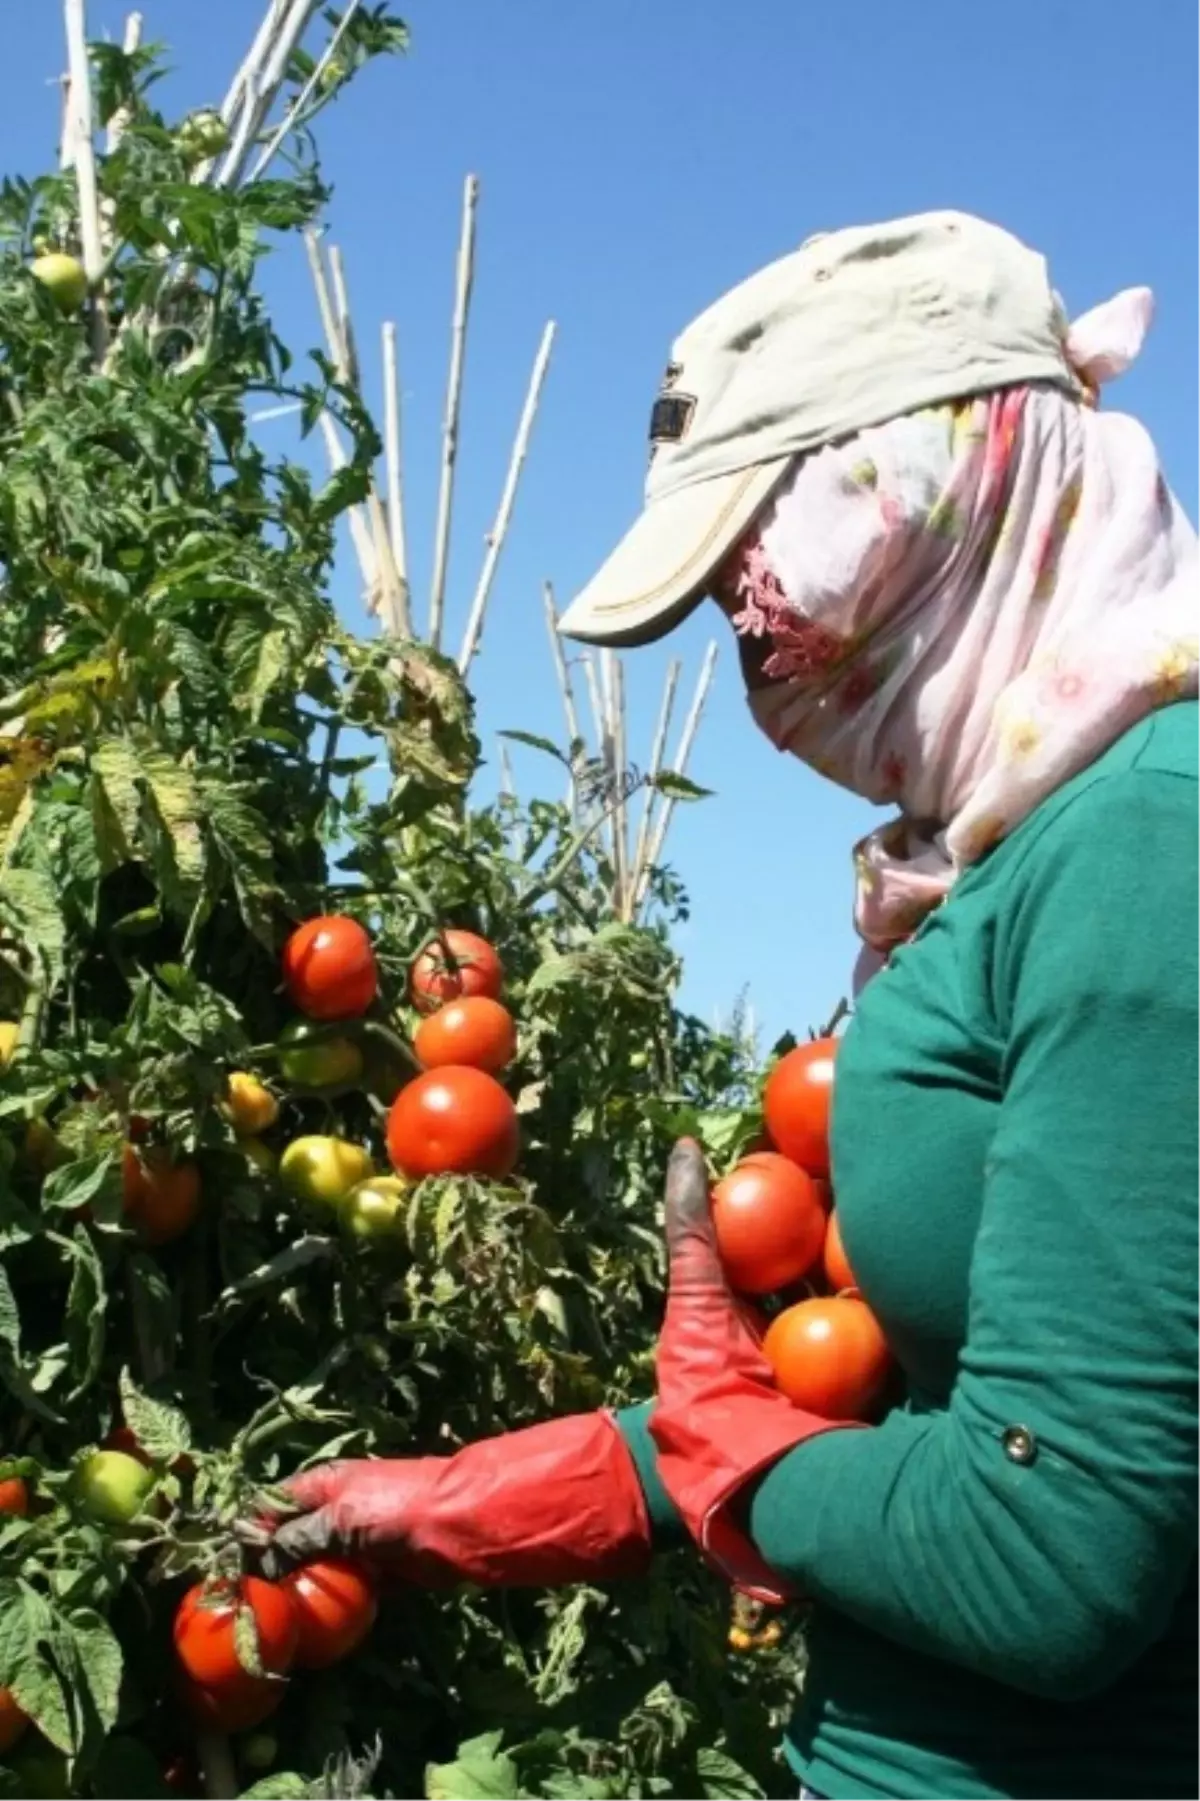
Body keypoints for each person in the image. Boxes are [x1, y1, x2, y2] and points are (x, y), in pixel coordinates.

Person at [263, 213, 1200, 1800]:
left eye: (757, 557)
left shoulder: (1147, 850)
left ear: (926, 477)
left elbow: (1051, 1556)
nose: (752, 645)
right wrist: (444, 1504)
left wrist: (727, 1456)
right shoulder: (988, 869)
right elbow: (829, 1408)